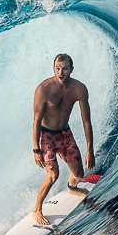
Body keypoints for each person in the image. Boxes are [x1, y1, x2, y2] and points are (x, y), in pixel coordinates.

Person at [32, 53, 95, 225]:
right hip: (46, 137)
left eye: (65, 69)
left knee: (79, 174)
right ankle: (37, 210)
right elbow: (36, 120)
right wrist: (36, 149)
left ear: (71, 70)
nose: (61, 72)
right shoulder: (43, 89)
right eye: (58, 68)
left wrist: (90, 149)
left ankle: (72, 188)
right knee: (53, 175)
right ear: (54, 69)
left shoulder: (79, 89)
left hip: (65, 135)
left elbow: (86, 120)